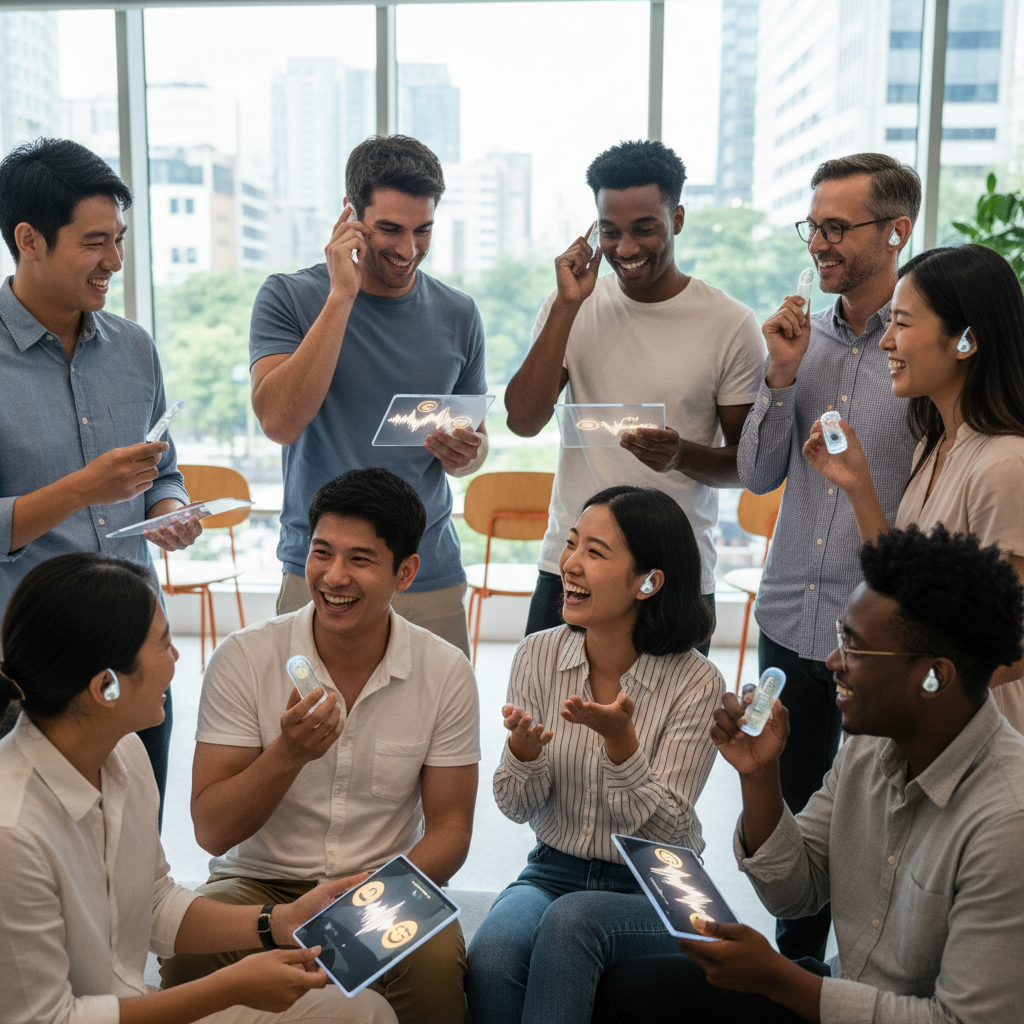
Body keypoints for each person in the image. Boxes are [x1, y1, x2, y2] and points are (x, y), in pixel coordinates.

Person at [593, 524, 1024, 1024]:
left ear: (935, 676)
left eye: (856, 648)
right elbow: (794, 894)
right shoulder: (867, 750)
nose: (833, 661)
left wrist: (779, 978)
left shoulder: (1007, 821)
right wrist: (759, 775)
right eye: (842, 637)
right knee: (628, 991)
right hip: (847, 993)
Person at [0, 552, 395, 1024]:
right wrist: (229, 986)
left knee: (363, 1013)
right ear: (106, 686)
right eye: (164, 644)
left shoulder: (124, 753)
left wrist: (281, 921)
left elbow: (155, 901)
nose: (177, 657)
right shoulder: (13, 833)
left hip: (128, 1001)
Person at [159, 468, 479, 1024]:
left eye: (360, 559)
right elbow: (212, 830)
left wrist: (362, 909)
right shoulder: (245, 657)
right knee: (190, 960)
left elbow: (451, 830)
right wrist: (287, 755)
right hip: (255, 880)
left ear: (406, 572)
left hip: (381, 883)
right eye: (321, 553)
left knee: (433, 969)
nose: (334, 576)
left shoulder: (444, 671)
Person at [736, 153, 921, 959]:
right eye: (814, 224)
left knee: (880, 826)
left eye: (838, 227)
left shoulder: (924, 349)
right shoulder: (797, 339)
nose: (820, 242)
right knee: (793, 824)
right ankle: (796, 978)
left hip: (881, 628)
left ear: (897, 231)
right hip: (789, 616)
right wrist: (779, 376)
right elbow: (754, 472)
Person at [464, 485, 724, 1024]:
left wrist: (622, 746)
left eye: (595, 553)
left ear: (650, 581)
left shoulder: (698, 681)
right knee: (490, 956)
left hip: (663, 883)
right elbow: (514, 808)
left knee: (570, 925)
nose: (570, 565)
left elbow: (671, 836)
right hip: (550, 870)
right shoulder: (538, 654)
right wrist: (524, 753)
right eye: (571, 544)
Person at [0, 138, 201, 812]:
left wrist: (172, 503)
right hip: (25, 671)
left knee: (138, 842)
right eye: (94, 242)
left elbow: (162, 467)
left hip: (136, 652)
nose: (113, 261)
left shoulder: (134, 347)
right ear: (29, 239)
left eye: (117, 239)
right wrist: (85, 487)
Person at [504, 140, 765, 644]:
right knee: (545, 719)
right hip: (571, 564)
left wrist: (680, 455)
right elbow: (522, 419)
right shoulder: (570, 306)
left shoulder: (729, 324)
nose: (625, 248)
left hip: (672, 574)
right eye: (609, 231)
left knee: (665, 724)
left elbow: (747, 467)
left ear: (678, 218)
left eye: (644, 228)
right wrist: (566, 305)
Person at [249, 135, 488, 657]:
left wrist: (468, 451)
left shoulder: (459, 313)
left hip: (425, 567)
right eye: (389, 230)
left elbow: (475, 442)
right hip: (321, 569)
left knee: (435, 734)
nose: (408, 250)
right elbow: (279, 422)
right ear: (351, 216)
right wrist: (342, 296)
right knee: (309, 728)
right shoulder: (290, 297)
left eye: (423, 230)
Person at [804, 243, 1024, 732]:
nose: (885, 342)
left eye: (902, 324)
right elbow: (904, 588)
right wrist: (858, 487)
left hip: (983, 735)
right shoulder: (936, 442)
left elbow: (1017, 644)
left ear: (966, 340)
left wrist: (900, 683)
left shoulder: (1005, 465)